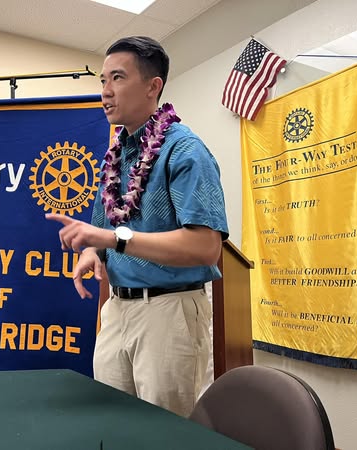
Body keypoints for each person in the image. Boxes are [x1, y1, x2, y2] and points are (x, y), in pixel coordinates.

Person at [46, 36, 228, 417]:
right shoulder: (115, 155)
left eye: (117, 78)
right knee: (111, 424)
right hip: (117, 309)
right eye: (102, 81)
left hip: (170, 312)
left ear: (153, 86)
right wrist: (93, 253)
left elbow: (205, 247)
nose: (105, 92)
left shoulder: (185, 150)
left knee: (167, 435)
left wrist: (112, 239)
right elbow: (101, 229)